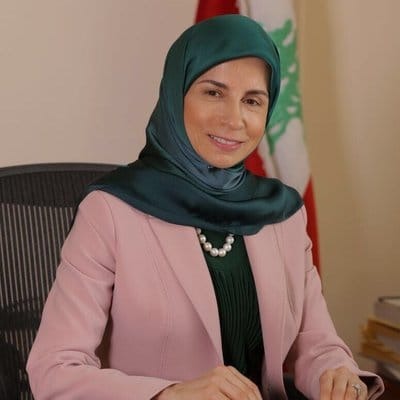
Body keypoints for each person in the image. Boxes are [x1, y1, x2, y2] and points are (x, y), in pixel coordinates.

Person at [27, 15, 384, 400]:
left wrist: (337, 375)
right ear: (176, 93)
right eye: (213, 92)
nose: (234, 119)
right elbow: (54, 370)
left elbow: (316, 345)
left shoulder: (280, 213)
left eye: (252, 100)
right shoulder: (110, 211)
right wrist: (171, 394)